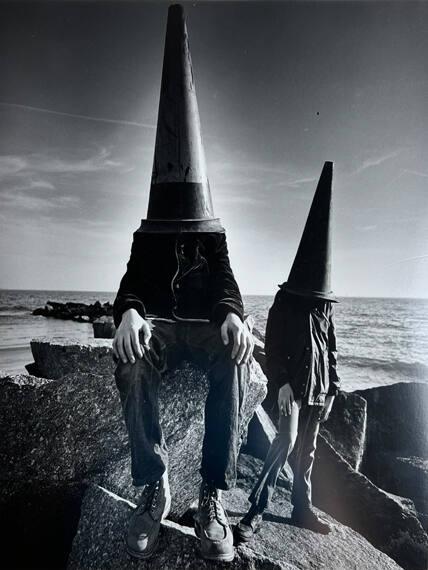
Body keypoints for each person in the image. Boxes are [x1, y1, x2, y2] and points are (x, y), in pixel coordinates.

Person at [112, 4, 253, 563]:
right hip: (165, 336)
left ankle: (212, 495)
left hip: (201, 337)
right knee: (129, 357)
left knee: (235, 354)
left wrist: (234, 315)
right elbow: (131, 284)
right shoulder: (147, 236)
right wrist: (128, 313)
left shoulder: (212, 236)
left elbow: (227, 283)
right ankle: (154, 487)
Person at [235, 161, 340, 542]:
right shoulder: (286, 300)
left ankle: (301, 509)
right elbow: (274, 347)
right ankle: (256, 509)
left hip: (318, 387)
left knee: (307, 452)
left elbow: (329, 349)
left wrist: (333, 388)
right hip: (291, 387)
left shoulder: (324, 305)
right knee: (286, 440)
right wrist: (279, 383)